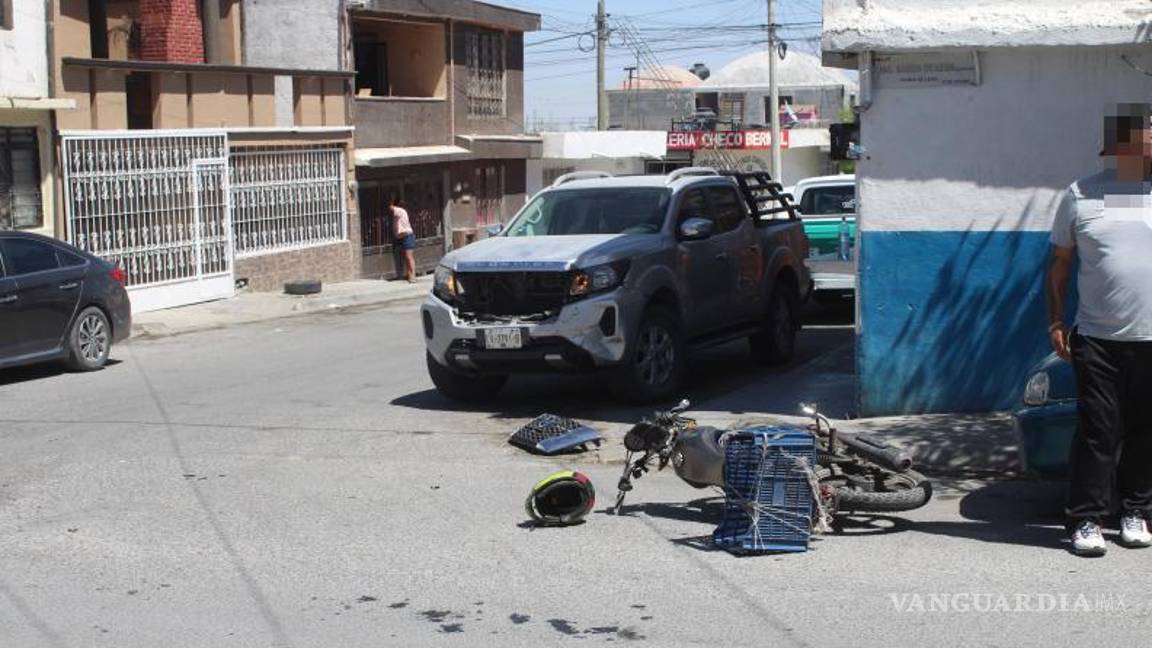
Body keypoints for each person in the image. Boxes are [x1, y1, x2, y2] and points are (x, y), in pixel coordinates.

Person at [1047, 103, 1152, 556]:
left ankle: (1135, 512)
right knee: (1097, 431)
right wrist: (1054, 320)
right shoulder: (1081, 194)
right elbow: (1060, 266)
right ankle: (1085, 520)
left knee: (1146, 430)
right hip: (1097, 339)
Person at [391, 197, 416, 283]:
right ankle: (408, 275)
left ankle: (413, 276)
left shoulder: (400, 211)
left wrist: (391, 198)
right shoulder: (399, 213)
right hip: (401, 238)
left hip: (407, 236)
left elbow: (390, 207)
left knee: (409, 257)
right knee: (404, 257)